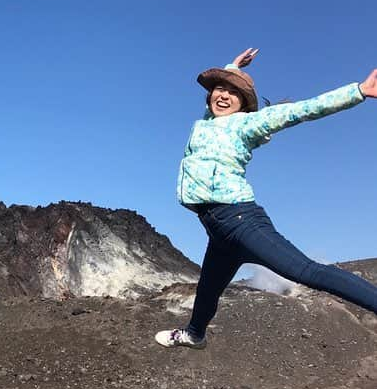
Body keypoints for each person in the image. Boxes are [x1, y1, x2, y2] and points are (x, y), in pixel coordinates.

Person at [156, 48, 377, 348]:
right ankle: (195, 335)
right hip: (219, 232)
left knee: (306, 271)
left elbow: (303, 110)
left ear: (244, 106)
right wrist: (233, 67)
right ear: (208, 97)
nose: (224, 96)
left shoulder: (246, 124)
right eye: (220, 89)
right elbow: (221, 91)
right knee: (207, 292)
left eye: (234, 93)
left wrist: (358, 91)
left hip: (241, 222)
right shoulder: (206, 122)